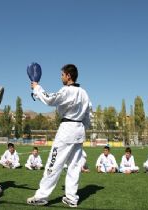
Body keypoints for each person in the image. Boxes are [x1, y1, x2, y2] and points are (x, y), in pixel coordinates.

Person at [27, 64, 91, 208]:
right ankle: (72, 198)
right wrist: (82, 129)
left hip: (67, 130)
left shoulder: (67, 90)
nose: (61, 77)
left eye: (62, 74)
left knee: (53, 163)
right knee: (74, 166)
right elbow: (88, 116)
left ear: (68, 76)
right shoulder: (84, 93)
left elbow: (50, 99)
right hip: (79, 130)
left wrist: (37, 88)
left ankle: (41, 196)